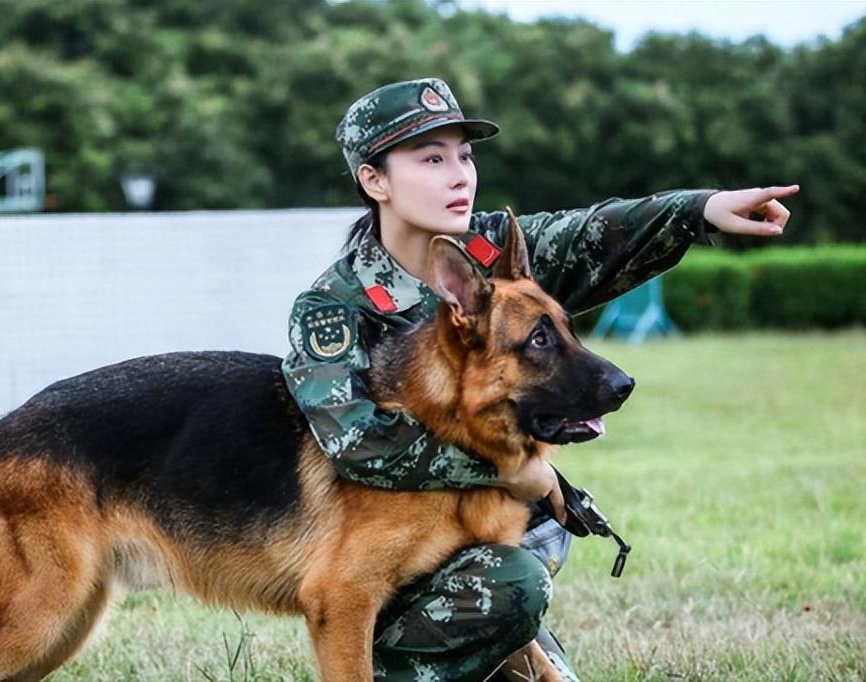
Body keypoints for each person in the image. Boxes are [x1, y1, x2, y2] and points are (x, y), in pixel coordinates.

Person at [281, 77, 797, 681]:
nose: (460, 176)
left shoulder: (495, 251)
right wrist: (513, 471)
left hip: (468, 532)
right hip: (378, 548)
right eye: (432, 159)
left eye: (465, 156)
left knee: (537, 532)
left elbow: (596, 232)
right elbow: (355, 442)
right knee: (515, 556)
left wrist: (700, 210)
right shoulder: (335, 307)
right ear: (375, 181)